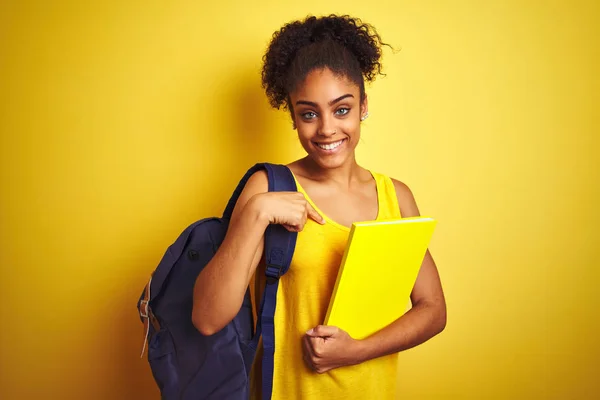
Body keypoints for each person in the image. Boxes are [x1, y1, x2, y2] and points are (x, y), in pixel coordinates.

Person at [192, 14, 447, 400]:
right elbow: (207, 318)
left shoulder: (396, 195)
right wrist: (256, 213)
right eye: (309, 113)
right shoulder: (268, 188)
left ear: (363, 106)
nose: (326, 128)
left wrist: (356, 351)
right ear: (293, 117)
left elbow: (433, 309)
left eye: (341, 109)